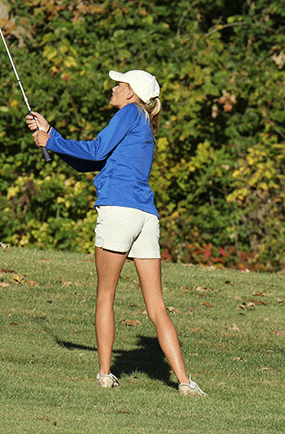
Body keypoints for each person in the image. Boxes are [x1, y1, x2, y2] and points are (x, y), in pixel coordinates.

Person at [26, 69, 206, 396]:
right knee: (157, 307)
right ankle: (185, 383)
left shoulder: (129, 113)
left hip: (118, 212)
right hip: (146, 217)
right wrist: (51, 134)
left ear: (131, 93)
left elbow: (94, 151)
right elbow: (91, 161)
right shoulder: (142, 123)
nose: (114, 87)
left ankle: (106, 375)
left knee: (105, 294)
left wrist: (51, 140)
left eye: (119, 84)